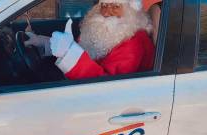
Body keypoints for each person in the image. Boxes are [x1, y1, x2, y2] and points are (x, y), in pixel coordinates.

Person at [25, 0, 155, 80]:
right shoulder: (100, 29)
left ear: (130, 10)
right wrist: (46, 44)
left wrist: (68, 53)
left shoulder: (134, 42)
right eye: (104, 5)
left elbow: (108, 85)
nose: (107, 12)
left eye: (115, 6)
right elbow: (81, 50)